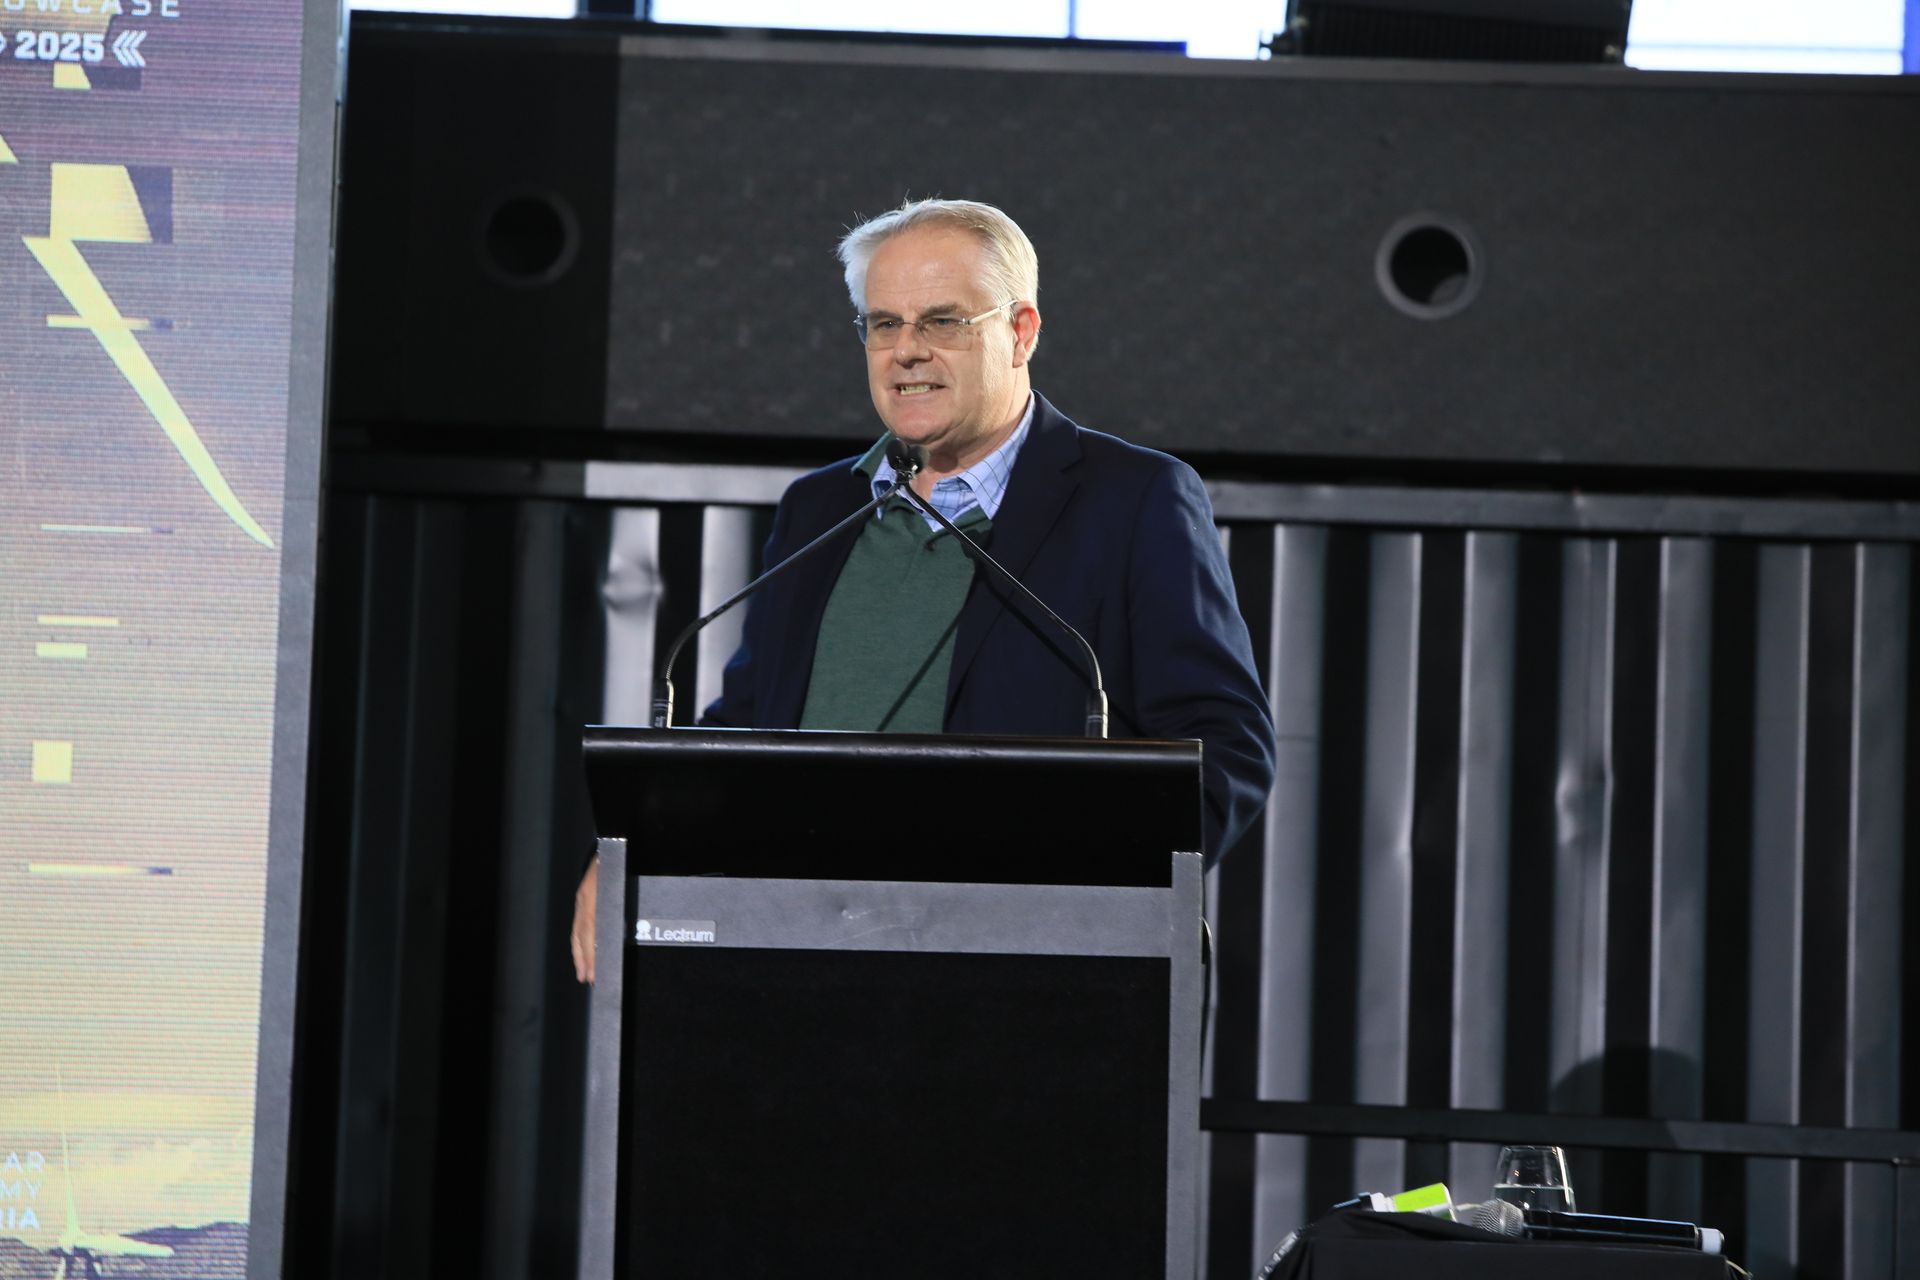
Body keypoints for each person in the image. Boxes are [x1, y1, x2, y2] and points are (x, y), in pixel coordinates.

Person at [572, 198, 1275, 982]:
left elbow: (1224, 745)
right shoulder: (820, 509)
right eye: (884, 324)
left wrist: (1101, 905)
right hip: (798, 966)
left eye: (942, 321)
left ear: (1021, 332)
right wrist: (628, 850)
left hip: (1033, 977)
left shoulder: (1131, 499)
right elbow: (747, 728)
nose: (906, 350)